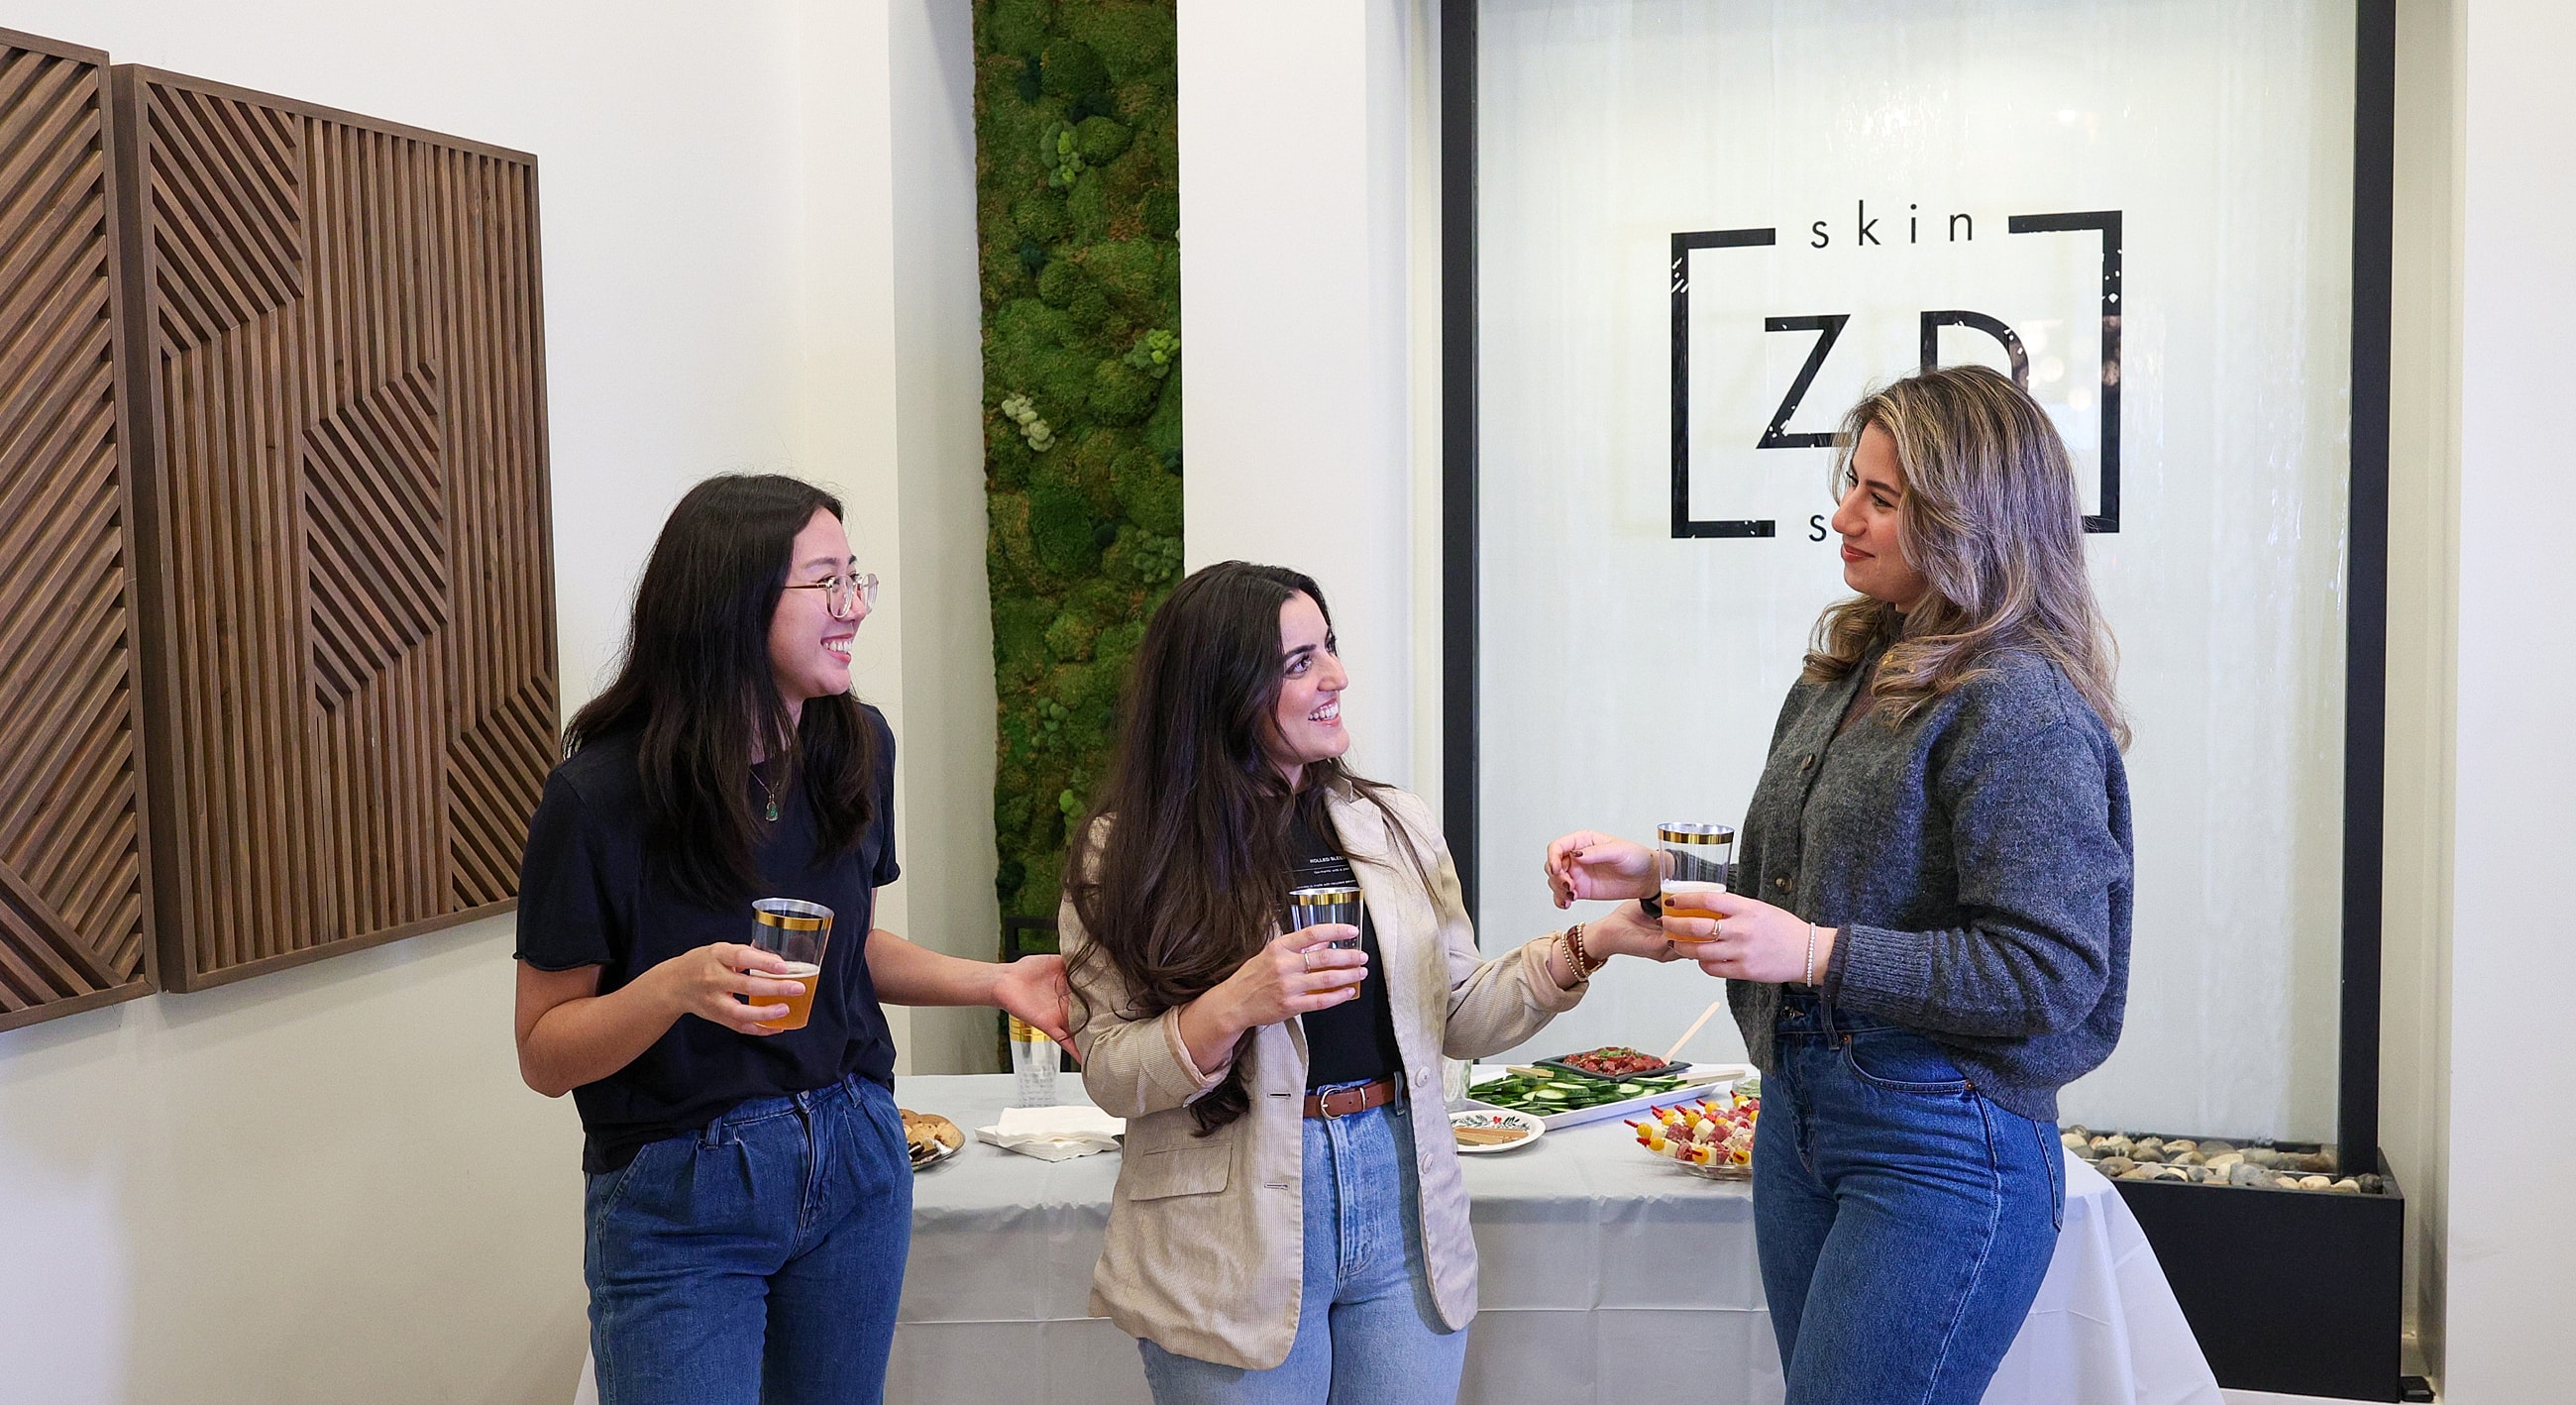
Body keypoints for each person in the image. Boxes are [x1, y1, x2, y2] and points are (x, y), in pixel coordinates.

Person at [1547, 365, 2134, 1405]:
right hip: (1801, 1118)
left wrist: (1813, 954)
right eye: (1850, 485)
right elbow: (1829, 891)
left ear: (1973, 517)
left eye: (1880, 496)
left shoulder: (2022, 706)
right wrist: (1663, 876)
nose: (1841, 515)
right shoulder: (1854, 667)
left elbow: (2047, 974)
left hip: (1942, 1145)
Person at [1060, 561, 1684, 1404]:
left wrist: (1593, 941)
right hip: (1226, 1225)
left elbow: (1457, 1014)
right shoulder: (1125, 850)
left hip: (1399, 1196)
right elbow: (1109, 1072)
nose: (1336, 677)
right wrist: (1234, 1004)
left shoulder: (1392, 820)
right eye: (1297, 664)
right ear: (1219, 689)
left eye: (1330, 648)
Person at [511, 474, 1070, 1405]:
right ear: (733, 602)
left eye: (859, 579)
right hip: (681, 1186)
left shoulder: (858, 747)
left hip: (852, 1151)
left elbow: (850, 952)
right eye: (827, 583)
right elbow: (542, 1051)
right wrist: (674, 987)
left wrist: (998, 980)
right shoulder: (596, 799)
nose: (854, 608)